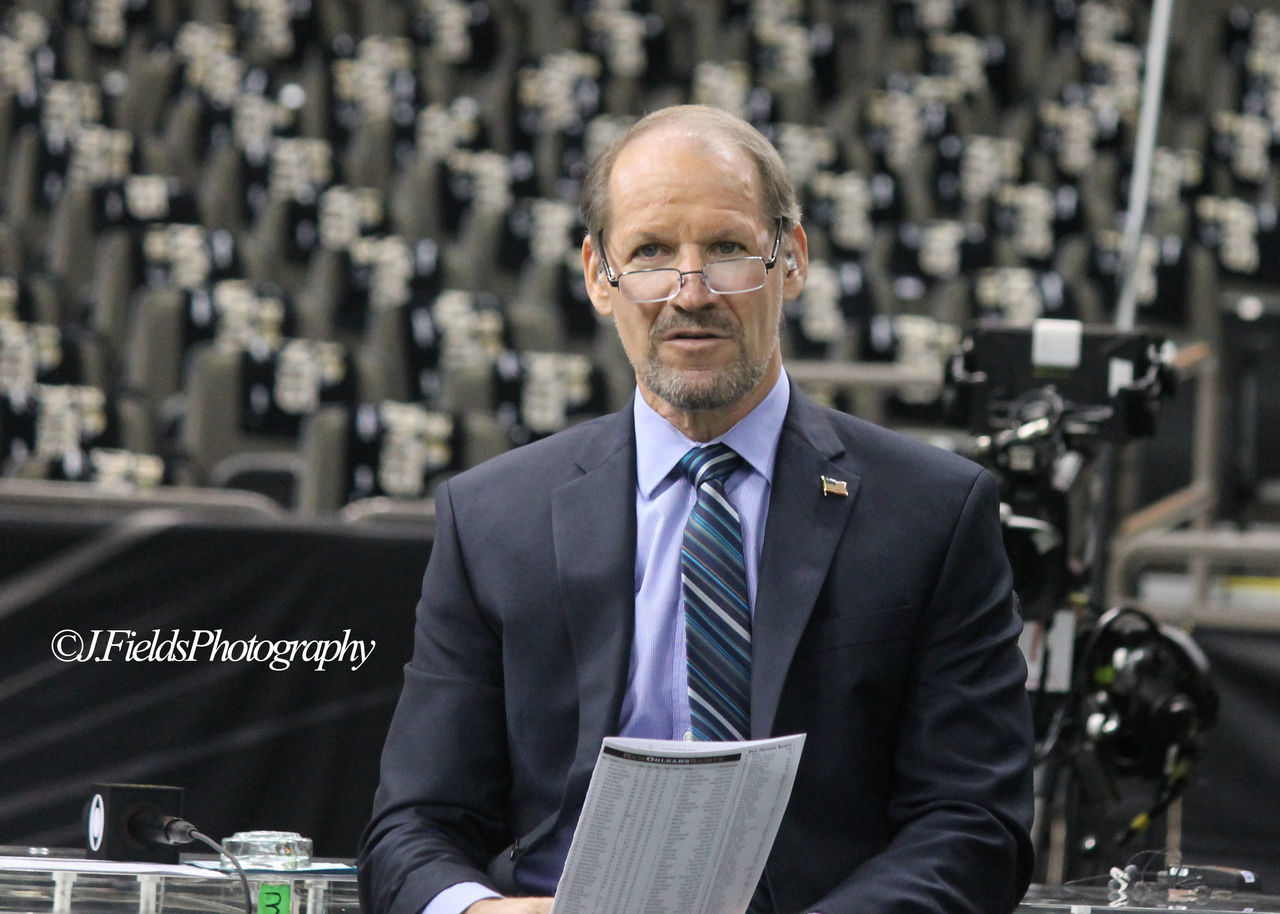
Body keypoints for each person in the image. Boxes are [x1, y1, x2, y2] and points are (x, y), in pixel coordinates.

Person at [358, 104, 1035, 914]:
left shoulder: (935, 513)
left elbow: (973, 824)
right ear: (598, 278)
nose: (691, 292)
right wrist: (477, 912)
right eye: (649, 253)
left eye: (726, 249)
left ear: (792, 261)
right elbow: (412, 830)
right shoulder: (490, 520)